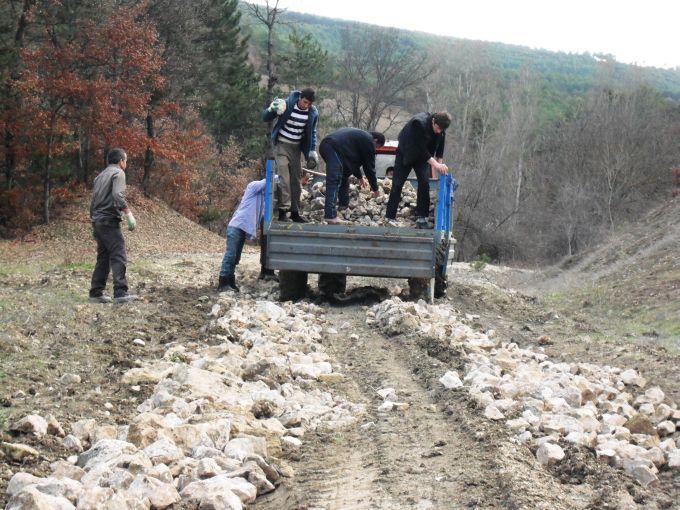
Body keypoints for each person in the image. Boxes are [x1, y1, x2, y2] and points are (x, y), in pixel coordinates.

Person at [385, 112, 451, 229]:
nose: (439, 131)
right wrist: (435, 164)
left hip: (423, 157)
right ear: (433, 121)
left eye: (441, 130)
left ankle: (422, 217)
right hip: (406, 153)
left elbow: (439, 150)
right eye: (437, 128)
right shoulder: (418, 123)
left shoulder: (441, 127)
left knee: (424, 183)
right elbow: (420, 148)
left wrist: (439, 166)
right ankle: (389, 217)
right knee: (398, 183)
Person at [262, 88, 319, 223]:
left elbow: (312, 133)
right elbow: (265, 117)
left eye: (309, 104)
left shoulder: (312, 113)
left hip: (296, 148)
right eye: (305, 102)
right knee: (284, 178)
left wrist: (311, 150)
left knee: (295, 180)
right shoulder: (286, 105)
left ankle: (294, 212)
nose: (306, 106)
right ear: (300, 98)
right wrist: (272, 109)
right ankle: (283, 211)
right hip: (282, 145)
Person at [89, 148, 137, 304]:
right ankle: (120, 292)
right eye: (126, 161)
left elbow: (93, 201)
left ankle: (96, 293)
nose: (126, 164)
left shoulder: (99, 176)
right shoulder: (118, 173)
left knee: (103, 258)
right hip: (109, 220)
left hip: (97, 221)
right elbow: (117, 195)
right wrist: (128, 213)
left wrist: (93, 221)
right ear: (120, 161)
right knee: (119, 254)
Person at [217, 177, 276, 292]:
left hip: (241, 230)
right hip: (236, 227)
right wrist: (280, 177)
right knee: (230, 255)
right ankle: (223, 282)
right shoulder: (253, 187)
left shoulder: (262, 201)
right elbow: (268, 180)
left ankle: (230, 281)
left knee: (235, 257)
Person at [319, 128, 385, 224]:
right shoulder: (368, 141)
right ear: (375, 140)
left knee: (344, 174)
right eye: (376, 147)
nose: (374, 150)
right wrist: (375, 189)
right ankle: (330, 216)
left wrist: (360, 177)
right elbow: (369, 167)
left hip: (329, 147)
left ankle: (343, 206)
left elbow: (353, 163)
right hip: (332, 147)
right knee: (334, 180)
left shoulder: (360, 138)